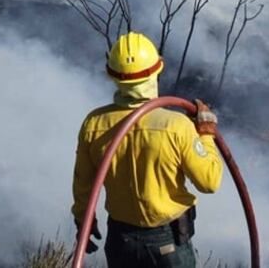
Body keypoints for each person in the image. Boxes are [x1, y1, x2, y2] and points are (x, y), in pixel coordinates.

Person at [71, 32, 222, 267]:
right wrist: (206, 135)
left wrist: (84, 220)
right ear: (157, 69)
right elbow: (209, 181)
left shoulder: (94, 124)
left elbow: (83, 183)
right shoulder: (176, 126)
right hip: (167, 242)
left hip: (121, 242)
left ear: (112, 75)